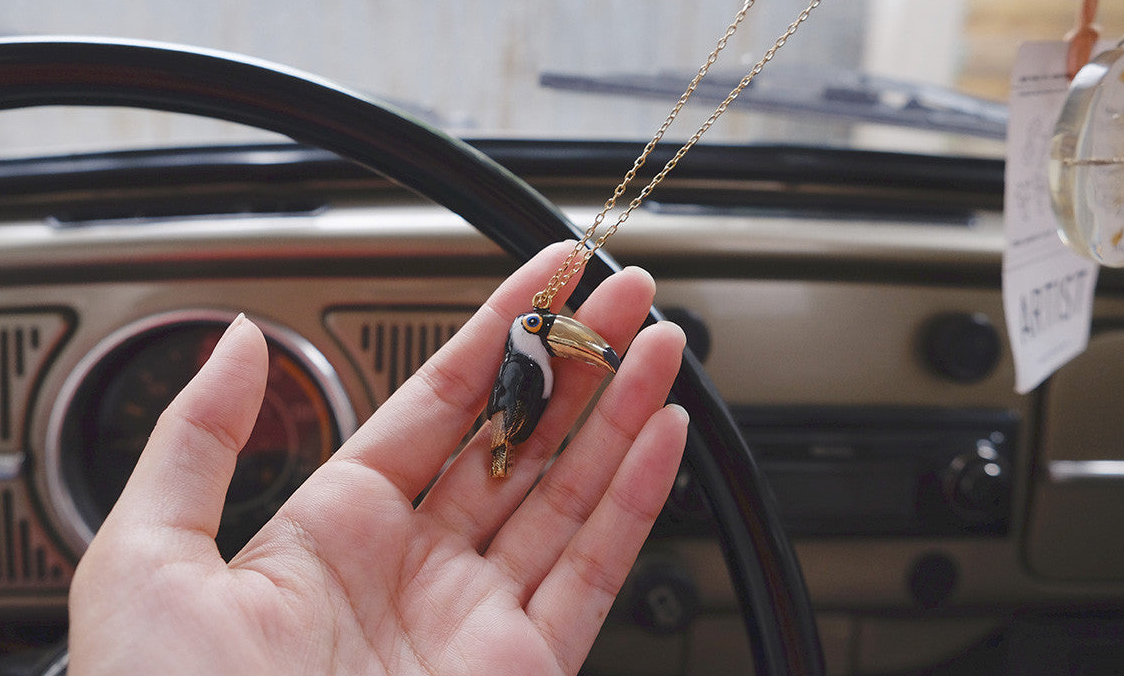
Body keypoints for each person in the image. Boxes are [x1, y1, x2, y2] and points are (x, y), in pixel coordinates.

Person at [67, 242, 689, 675]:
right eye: (539, 325)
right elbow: (515, 399)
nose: (543, 329)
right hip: (512, 428)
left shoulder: (531, 353)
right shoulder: (522, 361)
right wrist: (504, 441)